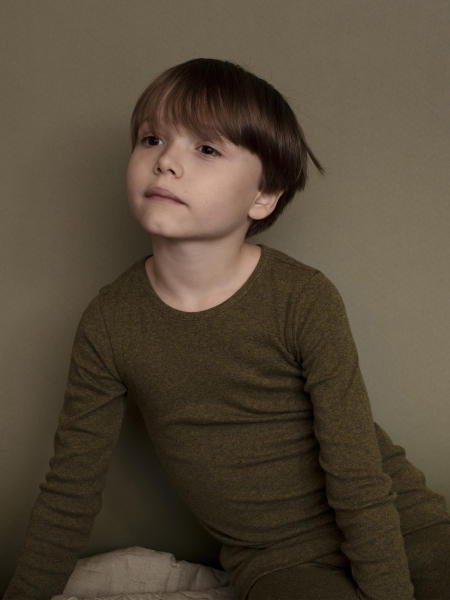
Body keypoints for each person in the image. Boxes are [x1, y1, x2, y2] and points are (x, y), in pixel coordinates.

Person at [4, 58, 450, 600]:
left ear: (264, 196)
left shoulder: (302, 297)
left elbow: (356, 473)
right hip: (278, 560)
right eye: (151, 139)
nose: (166, 161)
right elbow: (69, 491)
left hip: (400, 525)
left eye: (207, 149)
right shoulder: (109, 323)